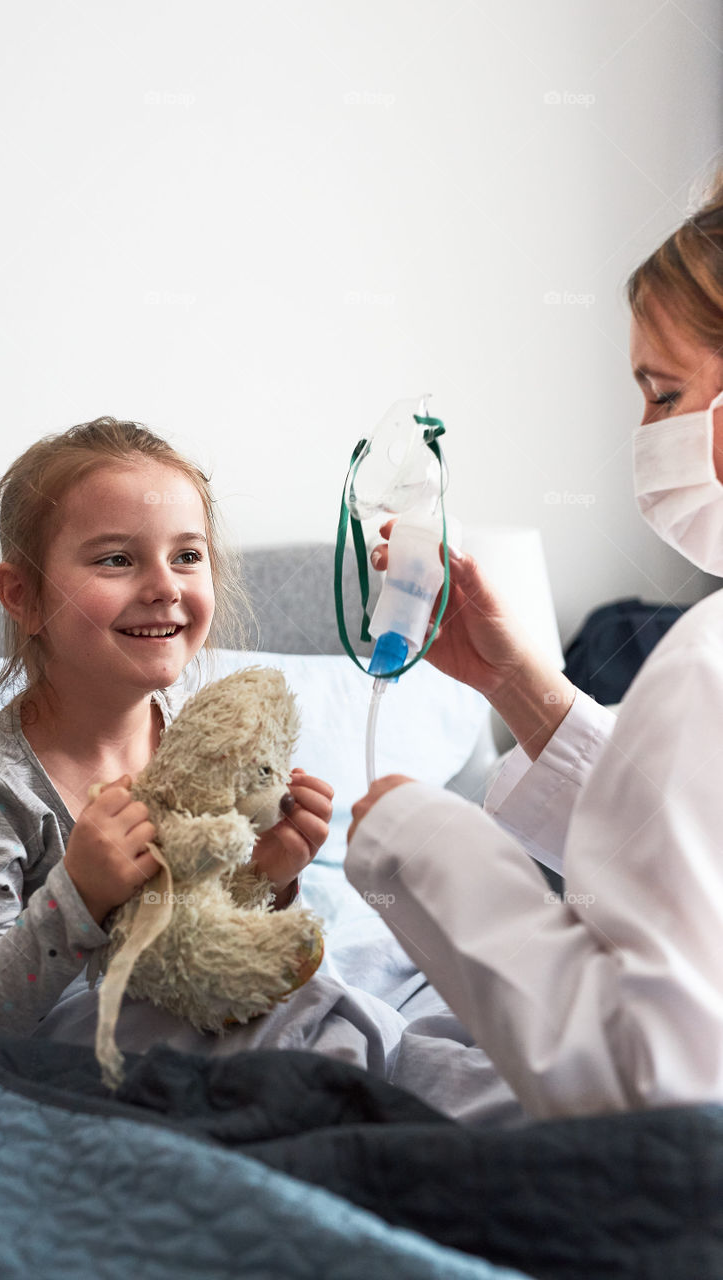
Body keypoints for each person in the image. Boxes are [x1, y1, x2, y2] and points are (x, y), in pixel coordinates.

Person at [346, 175, 723, 1120]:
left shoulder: (703, 661)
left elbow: (645, 1092)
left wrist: (419, 840)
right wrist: (519, 685)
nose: (647, 434)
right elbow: (686, 859)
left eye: (663, 392)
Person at [0, 418, 336, 1045]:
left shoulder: (203, 740)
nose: (166, 586)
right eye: (116, 559)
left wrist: (268, 879)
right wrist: (79, 896)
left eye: (188, 556)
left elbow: (210, 948)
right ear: (23, 595)